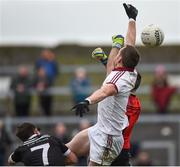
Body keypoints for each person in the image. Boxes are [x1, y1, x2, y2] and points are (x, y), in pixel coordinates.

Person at [67, 3, 140, 166]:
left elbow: (105, 91)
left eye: (119, 51)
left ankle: (113, 46)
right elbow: (131, 45)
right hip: (99, 130)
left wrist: (87, 101)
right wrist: (132, 19)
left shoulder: (118, 79)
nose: (120, 52)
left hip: (110, 138)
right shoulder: (129, 72)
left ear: (120, 59)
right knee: (65, 152)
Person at [91, 41, 141, 166]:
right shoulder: (136, 103)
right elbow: (116, 76)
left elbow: (113, 77)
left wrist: (107, 58)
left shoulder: (121, 96)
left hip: (111, 143)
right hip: (119, 144)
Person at [8, 123, 77, 166]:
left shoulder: (21, 149)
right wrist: (57, 162)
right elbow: (73, 159)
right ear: (35, 131)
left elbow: (10, 161)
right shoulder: (52, 138)